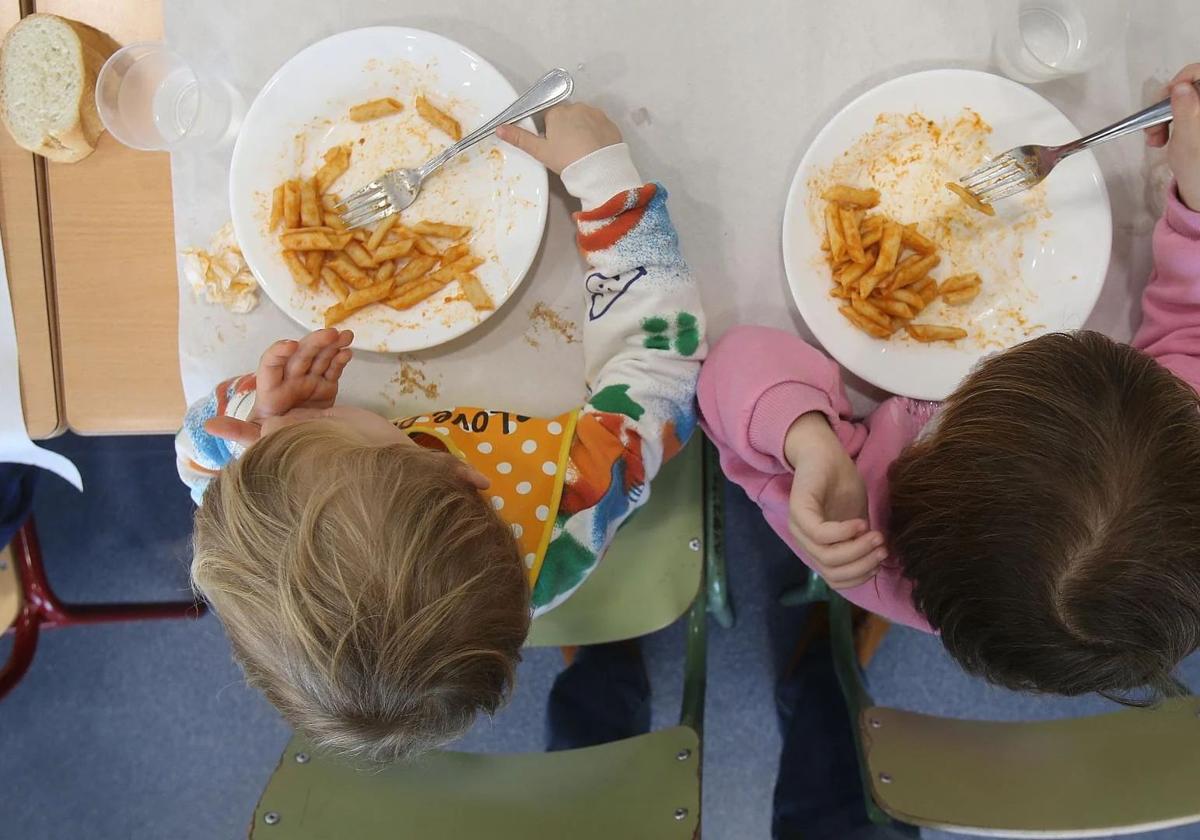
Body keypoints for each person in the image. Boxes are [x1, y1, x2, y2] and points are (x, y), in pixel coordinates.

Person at [174, 103, 706, 763]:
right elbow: (660, 366)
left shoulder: (255, 519)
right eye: (316, 427)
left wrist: (252, 421)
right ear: (461, 472)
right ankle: (604, 659)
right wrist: (609, 190)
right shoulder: (577, 491)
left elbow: (195, 462)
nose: (299, 416)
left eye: (276, 447)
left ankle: (602, 662)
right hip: (561, 548)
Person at [699, 65, 1200, 704]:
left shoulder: (866, 540)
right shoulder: (1182, 447)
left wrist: (809, 444)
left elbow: (732, 363)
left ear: (925, 466)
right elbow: (1191, 329)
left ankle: (822, 678)